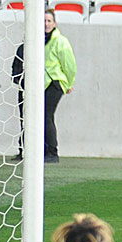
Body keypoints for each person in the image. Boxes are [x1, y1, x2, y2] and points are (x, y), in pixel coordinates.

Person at [43, 9, 76, 164]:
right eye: (44, 21)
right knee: (42, 117)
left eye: (49, 21)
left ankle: (52, 152)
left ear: (54, 23)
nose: (46, 24)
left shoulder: (60, 41)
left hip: (54, 82)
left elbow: (69, 64)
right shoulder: (39, 40)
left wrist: (69, 83)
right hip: (43, 83)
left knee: (46, 116)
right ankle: (44, 150)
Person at [12, 42, 25, 159]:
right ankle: (23, 150)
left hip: (44, 87)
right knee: (24, 119)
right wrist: (16, 78)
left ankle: (47, 150)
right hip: (24, 87)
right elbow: (16, 65)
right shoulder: (23, 48)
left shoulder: (48, 46)